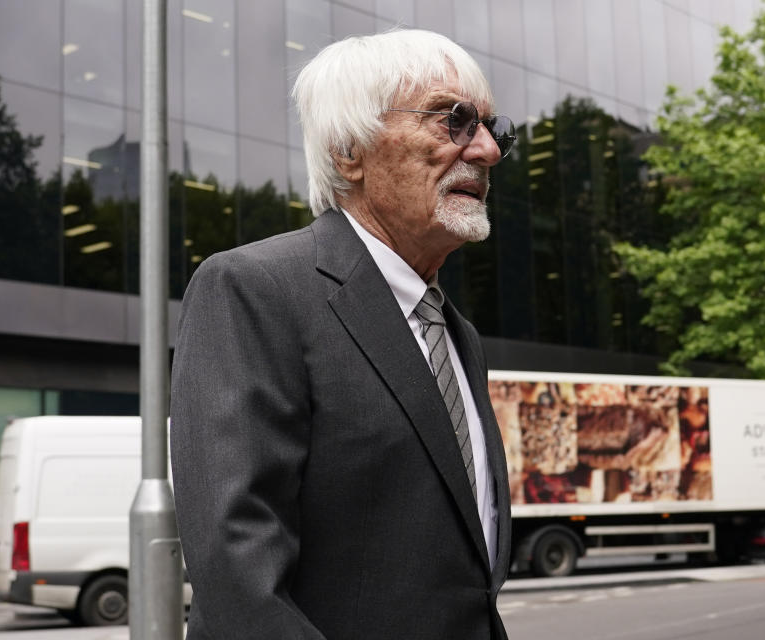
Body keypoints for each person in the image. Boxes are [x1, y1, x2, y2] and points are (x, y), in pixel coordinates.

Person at [170, 29, 516, 640]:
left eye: (492, 128)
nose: (486, 150)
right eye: (453, 121)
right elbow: (238, 580)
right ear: (349, 150)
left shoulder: (457, 334)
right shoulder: (255, 290)